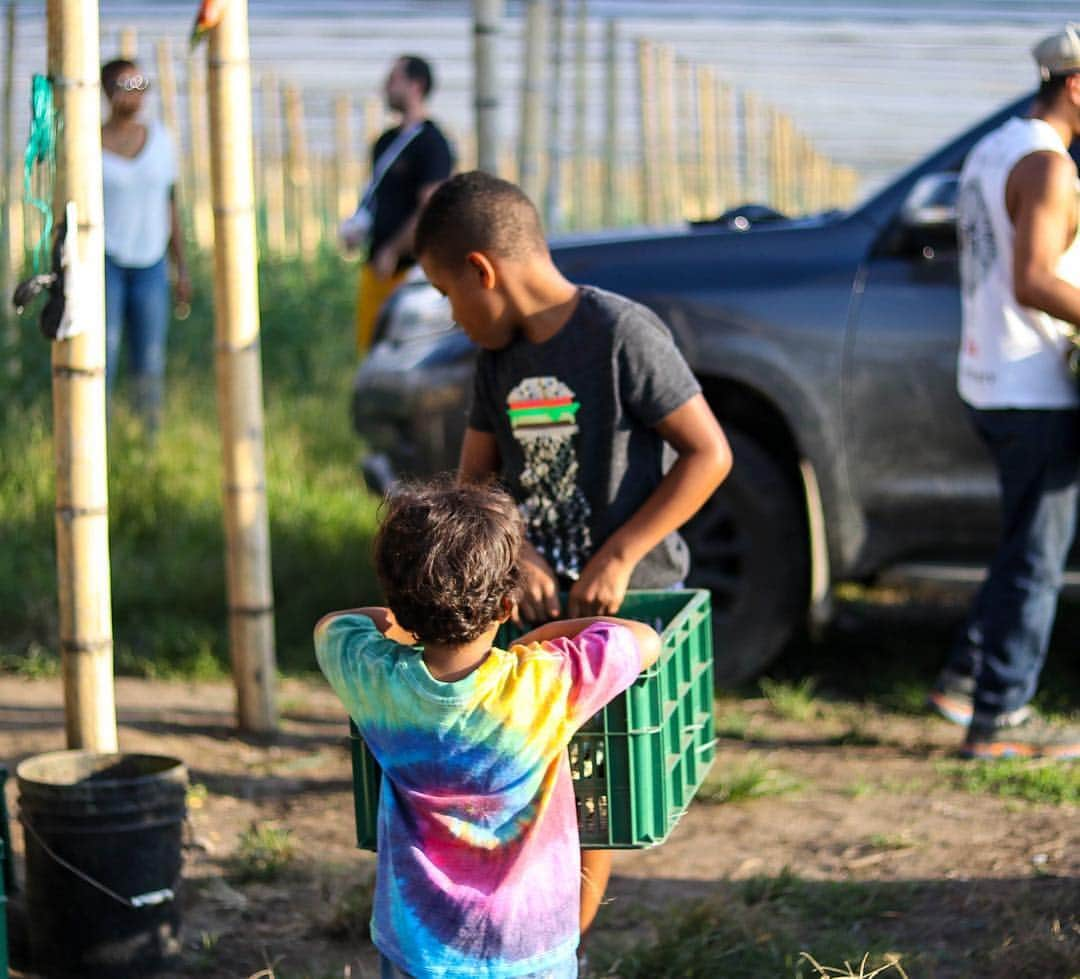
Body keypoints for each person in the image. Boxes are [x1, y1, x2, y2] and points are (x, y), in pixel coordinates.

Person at [413, 171, 733, 937]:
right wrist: (514, 549)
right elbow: (474, 485)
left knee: (592, 806)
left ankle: (556, 950)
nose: (455, 318)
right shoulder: (499, 362)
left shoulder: (622, 334)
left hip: (620, 618)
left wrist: (620, 554)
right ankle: (529, 940)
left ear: (483, 271)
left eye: (449, 294)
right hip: (537, 616)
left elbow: (708, 454)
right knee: (528, 791)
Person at [315, 479, 661, 979]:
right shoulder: (542, 681)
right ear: (506, 607)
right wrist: (539, 639)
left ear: (401, 605)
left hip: (418, 947)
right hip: (531, 946)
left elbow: (336, 625)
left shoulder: (375, 675)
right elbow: (641, 639)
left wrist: (402, 621)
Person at [927, 26, 1080, 759]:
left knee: (1023, 538)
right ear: (1076, 85)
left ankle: (965, 677)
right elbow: (1035, 278)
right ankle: (1001, 718)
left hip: (987, 374)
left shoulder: (992, 147)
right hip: (1034, 383)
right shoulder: (1049, 166)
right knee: (1036, 556)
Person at [100, 58, 190, 436]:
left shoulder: (160, 139)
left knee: (149, 361)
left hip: (151, 262)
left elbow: (171, 204)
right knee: (102, 356)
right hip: (104, 260)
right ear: (106, 90)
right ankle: (95, 444)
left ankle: (147, 442)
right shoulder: (90, 142)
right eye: (126, 84)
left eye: (140, 84)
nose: (135, 92)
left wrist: (180, 268)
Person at [341, 55, 454, 356]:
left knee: (403, 351)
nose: (386, 87)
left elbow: (430, 208)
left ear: (416, 85)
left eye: (393, 79)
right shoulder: (384, 142)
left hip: (409, 270)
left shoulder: (433, 143)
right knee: (370, 350)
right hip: (376, 265)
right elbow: (378, 199)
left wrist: (394, 250)